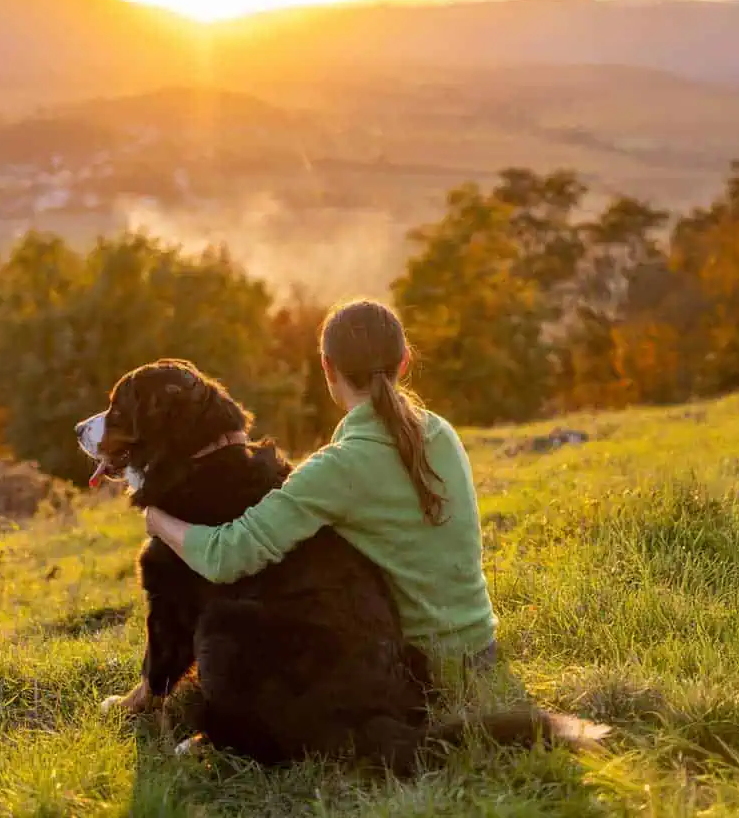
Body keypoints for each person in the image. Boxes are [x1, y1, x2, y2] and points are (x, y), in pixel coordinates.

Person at [142, 298, 499, 695]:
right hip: (482, 649)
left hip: (419, 667)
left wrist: (158, 520)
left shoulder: (338, 466)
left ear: (327, 367)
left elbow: (227, 555)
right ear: (404, 361)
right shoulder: (441, 432)